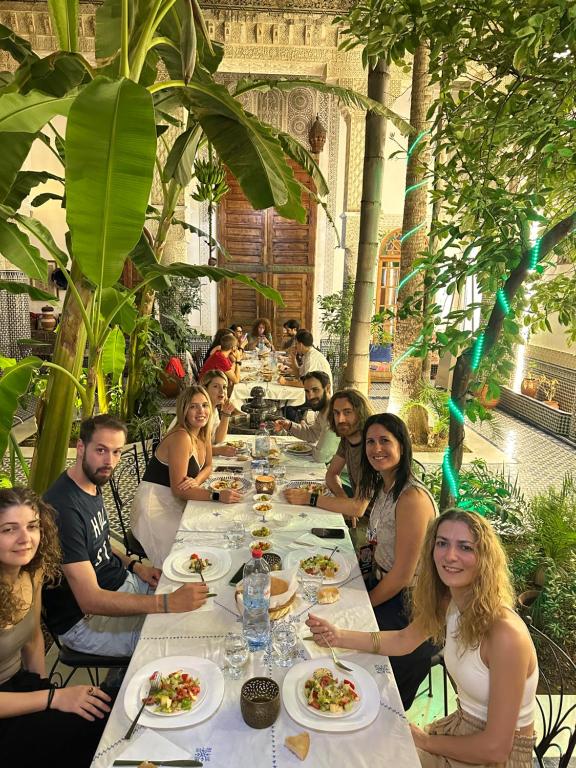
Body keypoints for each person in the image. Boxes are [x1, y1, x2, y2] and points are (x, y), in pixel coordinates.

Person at [307, 509, 538, 768]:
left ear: (484, 557)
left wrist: (423, 740)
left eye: (465, 547)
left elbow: (495, 750)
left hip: (494, 757)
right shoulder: (451, 599)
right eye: (442, 543)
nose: (450, 556)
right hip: (460, 729)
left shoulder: (505, 634)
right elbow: (404, 640)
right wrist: (337, 636)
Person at [43, 414, 209, 657]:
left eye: (116, 452)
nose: (109, 461)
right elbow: (91, 600)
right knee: (182, 644)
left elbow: (97, 543)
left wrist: (134, 565)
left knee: (203, 606)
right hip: (87, 623)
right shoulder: (63, 509)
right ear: (80, 447)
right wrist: (166, 604)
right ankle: (122, 682)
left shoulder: (90, 482)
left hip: (122, 583)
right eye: (101, 450)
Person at [0, 487, 112, 768]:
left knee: (109, 710)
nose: (25, 539)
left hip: (22, 689)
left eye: (32, 526)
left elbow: (33, 638)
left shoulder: (31, 570)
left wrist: (44, 687)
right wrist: (52, 698)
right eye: (9, 530)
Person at [132, 386, 243, 567]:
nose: (201, 411)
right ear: (184, 410)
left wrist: (197, 481)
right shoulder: (181, 437)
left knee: (212, 528)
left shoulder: (202, 432)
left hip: (176, 499)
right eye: (194, 406)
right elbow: (179, 490)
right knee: (188, 548)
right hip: (154, 505)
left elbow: (208, 466)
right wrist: (217, 495)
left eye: (205, 405)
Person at [284, 388, 373, 513]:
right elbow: (331, 474)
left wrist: (308, 498)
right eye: (336, 413)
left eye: (347, 412)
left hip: (376, 521)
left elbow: (358, 508)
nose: (340, 419)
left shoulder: (372, 447)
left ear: (361, 413)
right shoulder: (347, 438)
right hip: (361, 507)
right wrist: (343, 499)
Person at [273, 371, 339, 464]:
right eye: (307, 391)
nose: (310, 396)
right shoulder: (323, 410)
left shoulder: (335, 414)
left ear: (327, 388)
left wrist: (313, 449)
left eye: (315, 390)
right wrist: (289, 425)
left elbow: (321, 456)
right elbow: (312, 434)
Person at [201, 369, 239, 456]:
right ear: (205, 389)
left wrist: (226, 413)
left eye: (224, 387)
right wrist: (217, 451)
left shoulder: (213, 409)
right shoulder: (200, 411)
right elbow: (193, 448)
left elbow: (219, 439)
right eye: (216, 386)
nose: (222, 391)